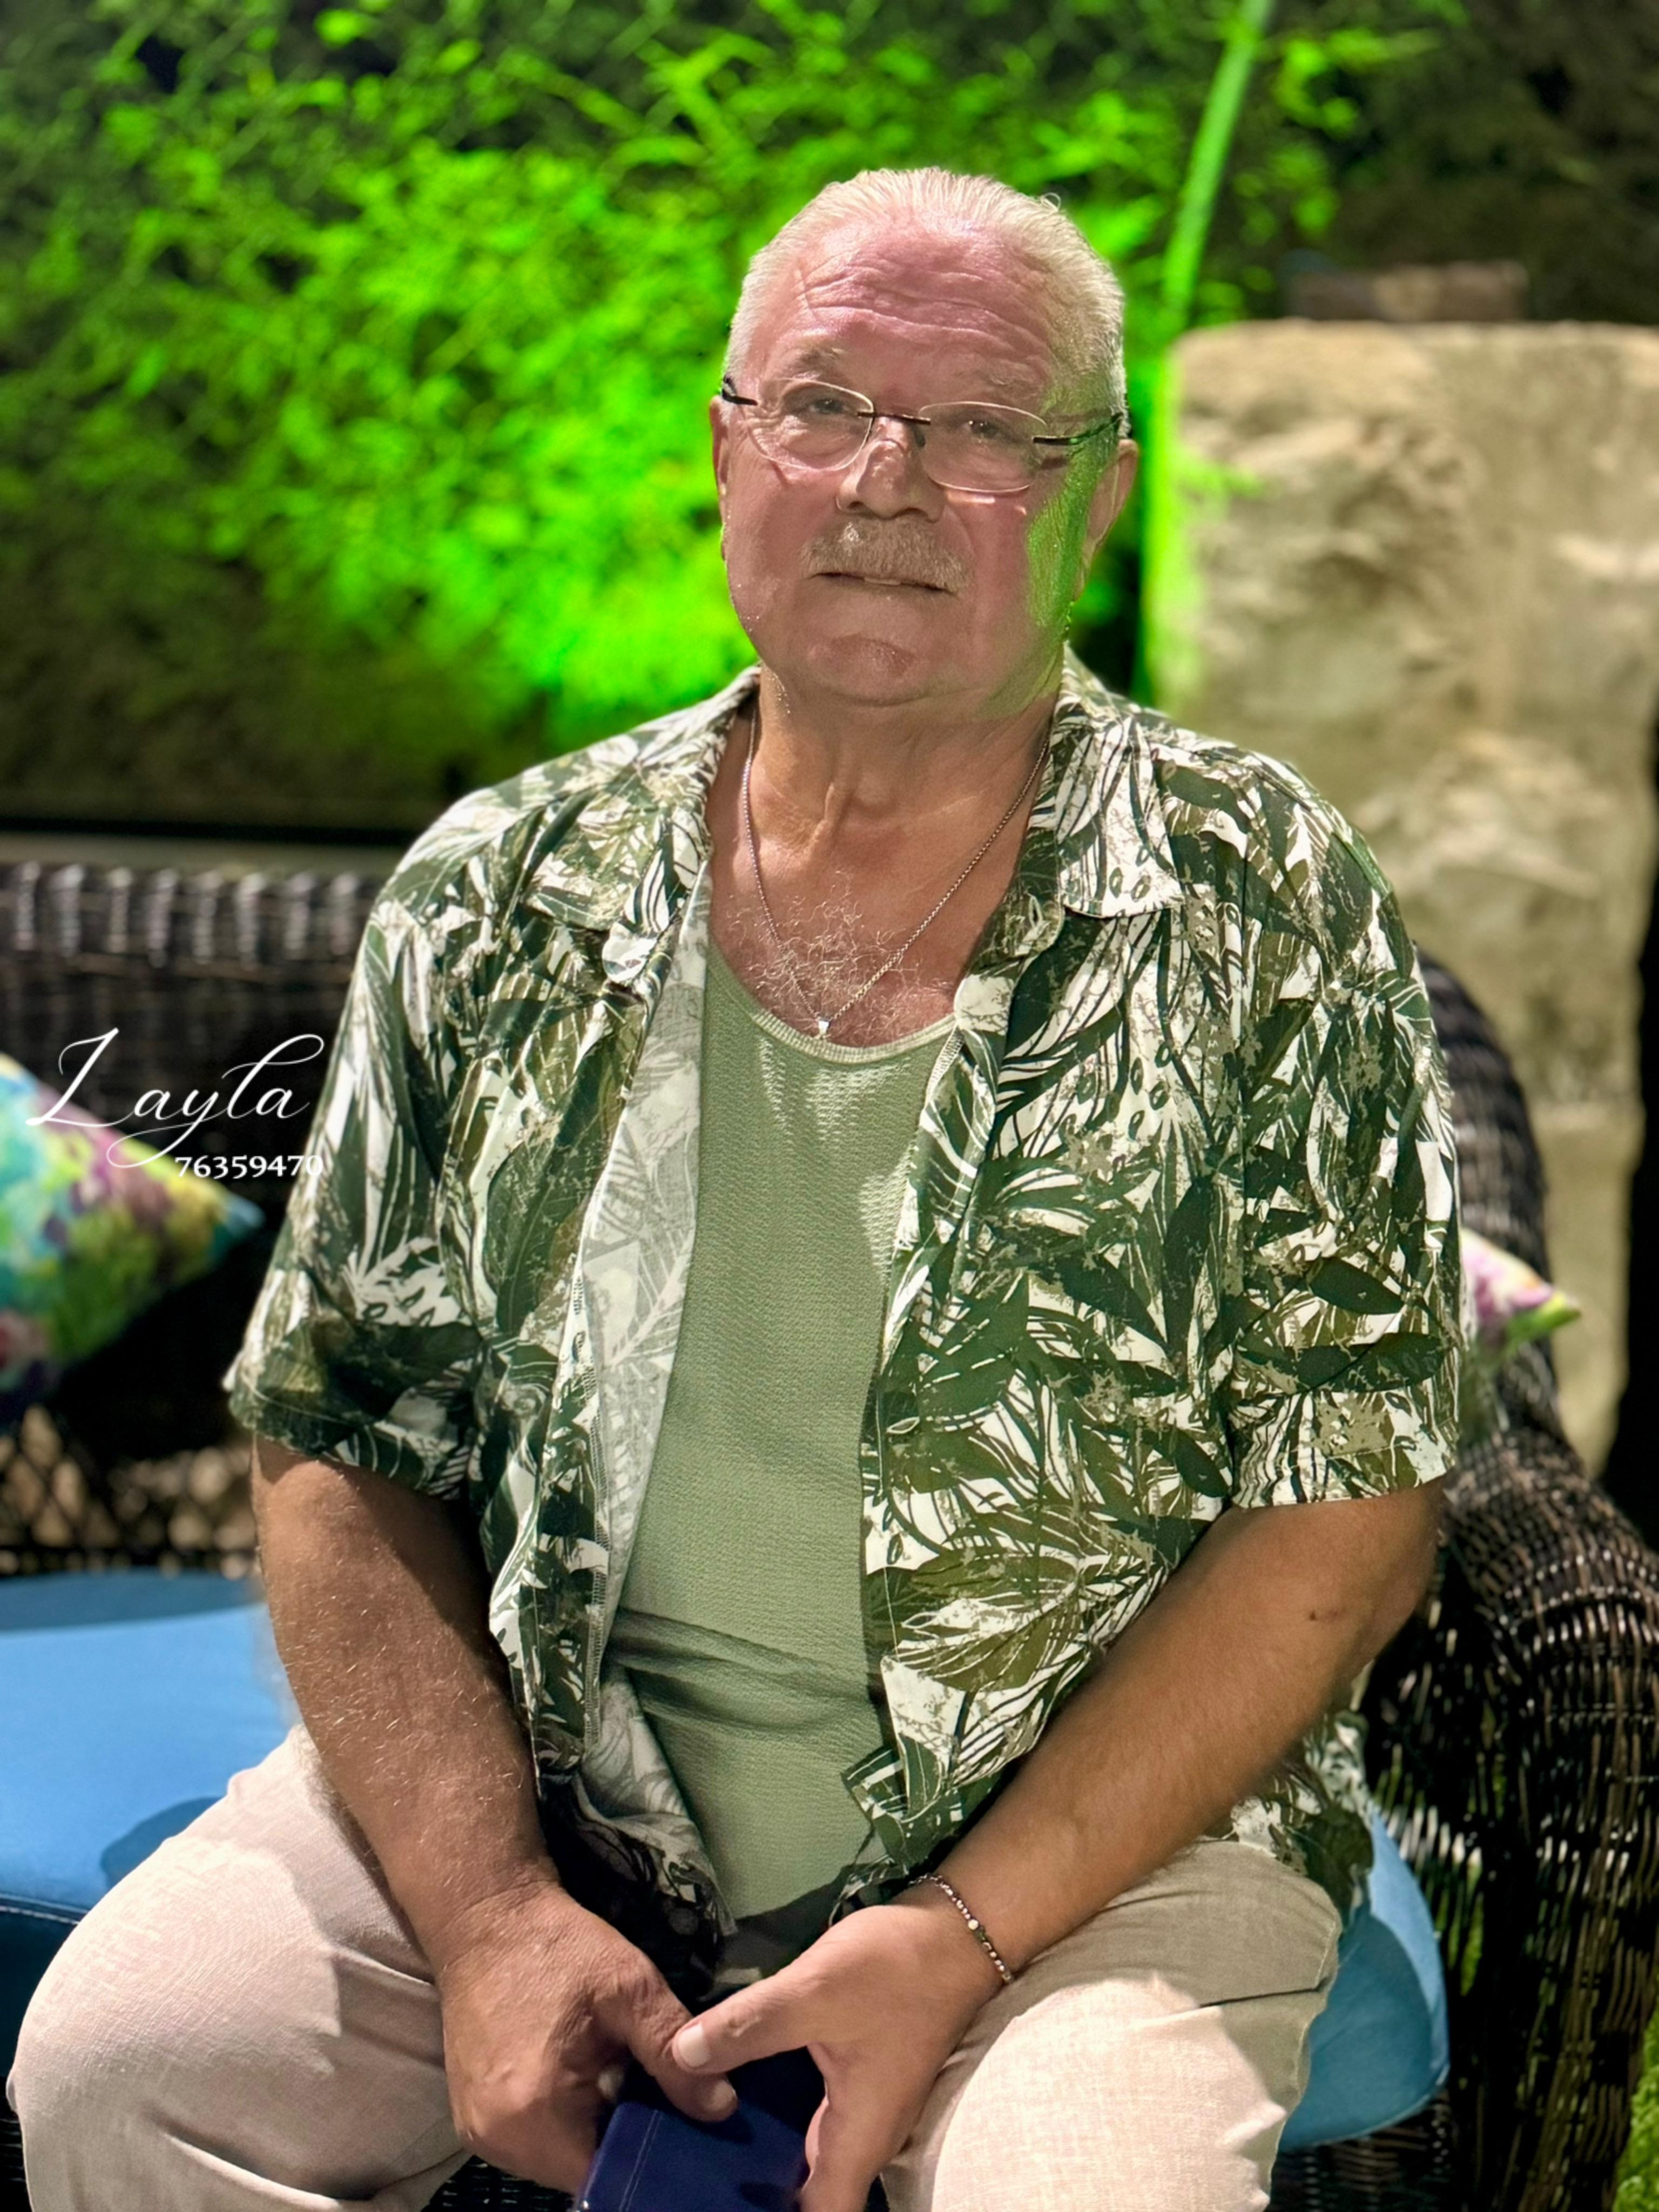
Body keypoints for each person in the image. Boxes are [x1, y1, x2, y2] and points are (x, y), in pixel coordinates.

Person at [10, 167, 1461, 2212]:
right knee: (129, 2072)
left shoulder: (1267, 905)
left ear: (1099, 498)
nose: (885, 481)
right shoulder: (500, 890)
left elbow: (1351, 1522)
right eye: (824, 405)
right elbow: (337, 1440)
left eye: (983, 429)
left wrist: (958, 1933)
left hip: (1091, 1862)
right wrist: (491, 1912)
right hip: (554, 1784)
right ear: (726, 452)